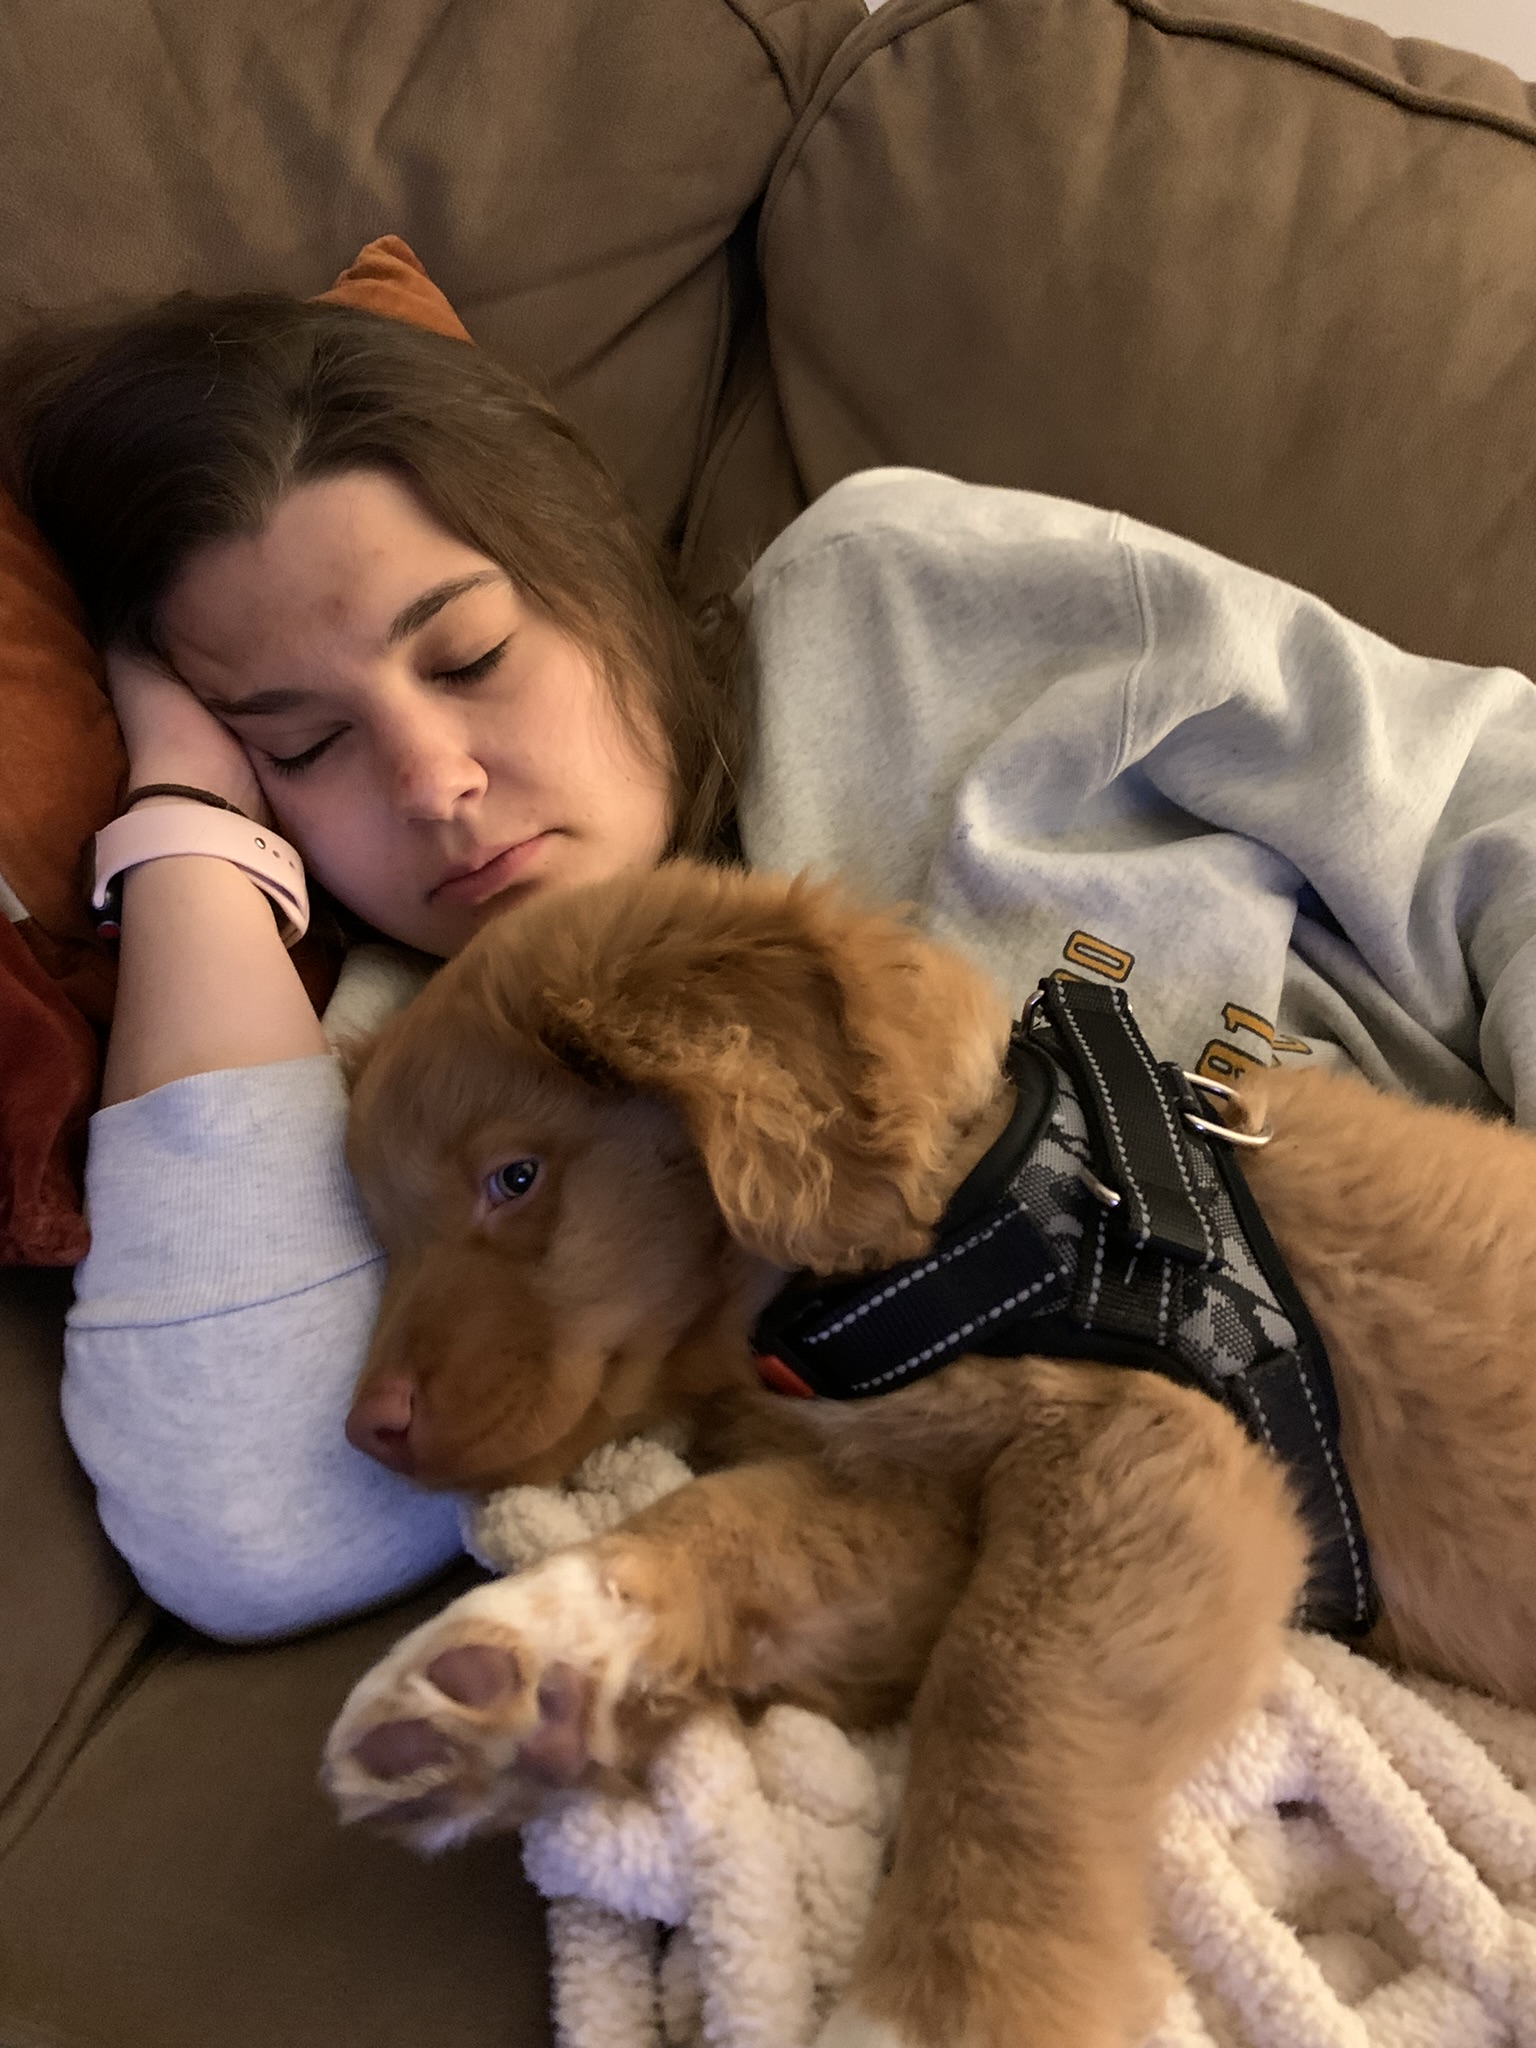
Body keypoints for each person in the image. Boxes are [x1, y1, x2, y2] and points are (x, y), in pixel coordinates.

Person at [7, 291, 1536, 1642]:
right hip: (1205, 1595)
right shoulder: (401, 1074)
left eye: (470, 657)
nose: (431, 783)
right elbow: (259, 1530)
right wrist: (189, 828)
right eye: (305, 744)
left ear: (593, 570)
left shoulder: (901, 598)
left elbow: (1490, 809)